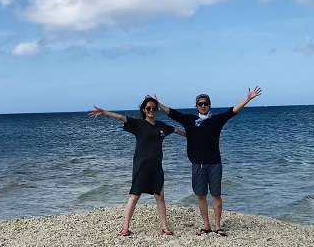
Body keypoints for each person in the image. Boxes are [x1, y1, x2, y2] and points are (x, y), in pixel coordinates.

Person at [157, 87, 262, 237]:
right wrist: (158, 104)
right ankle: (206, 224)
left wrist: (248, 98)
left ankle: (218, 226)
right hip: (197, 164)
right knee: (201, 195)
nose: (203, 106)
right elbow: (172, 113)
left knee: (216, 195)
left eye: (206, 103)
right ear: (196, 106)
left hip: (214, 163)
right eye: (200, 104)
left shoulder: (216, 120)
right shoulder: (189, 120)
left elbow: (232, 111)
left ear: (209, 105)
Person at [89, 96, 184, 237]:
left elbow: (178, 131)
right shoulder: (138, 124)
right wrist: (103, 112)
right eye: (148, 108)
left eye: (154, 108)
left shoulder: (162, 126)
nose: (151, 110)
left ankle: (164, 227)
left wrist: (196, 135)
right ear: (144, 110)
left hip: (157, 167)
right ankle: (125, 228)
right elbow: (121, 117)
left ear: (157, 109)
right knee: (135, 196)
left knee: (160, 196)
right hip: (141, 165)